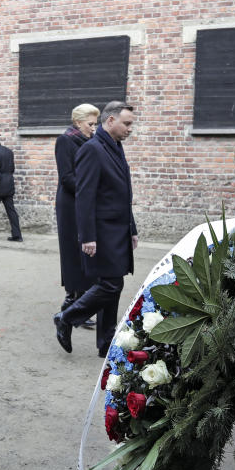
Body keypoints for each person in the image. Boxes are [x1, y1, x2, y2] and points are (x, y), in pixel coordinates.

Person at [53, 101, 139, 357]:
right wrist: (87, 236)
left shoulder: (114, 146)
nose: (130, 129)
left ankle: (106, 343)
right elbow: (85, 195)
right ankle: (67, 317)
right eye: (127, 123)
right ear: (111, 121)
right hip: (101, 232)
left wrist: (131, 227)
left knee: (113, 283)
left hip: (117, 229)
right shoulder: (92, 149)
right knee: (111, 285)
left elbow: (122, 192)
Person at [55, 104, 99, 329]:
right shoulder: (65, 141)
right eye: (90, 124)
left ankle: (78, 304)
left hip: (85, 202)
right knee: (73, 252)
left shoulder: (91, 142)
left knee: (86, 254)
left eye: (95, 124)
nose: (94, 128)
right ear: (77, 123)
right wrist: (90, 190)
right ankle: (72, 304)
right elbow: (66, 177)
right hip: (71, 204)